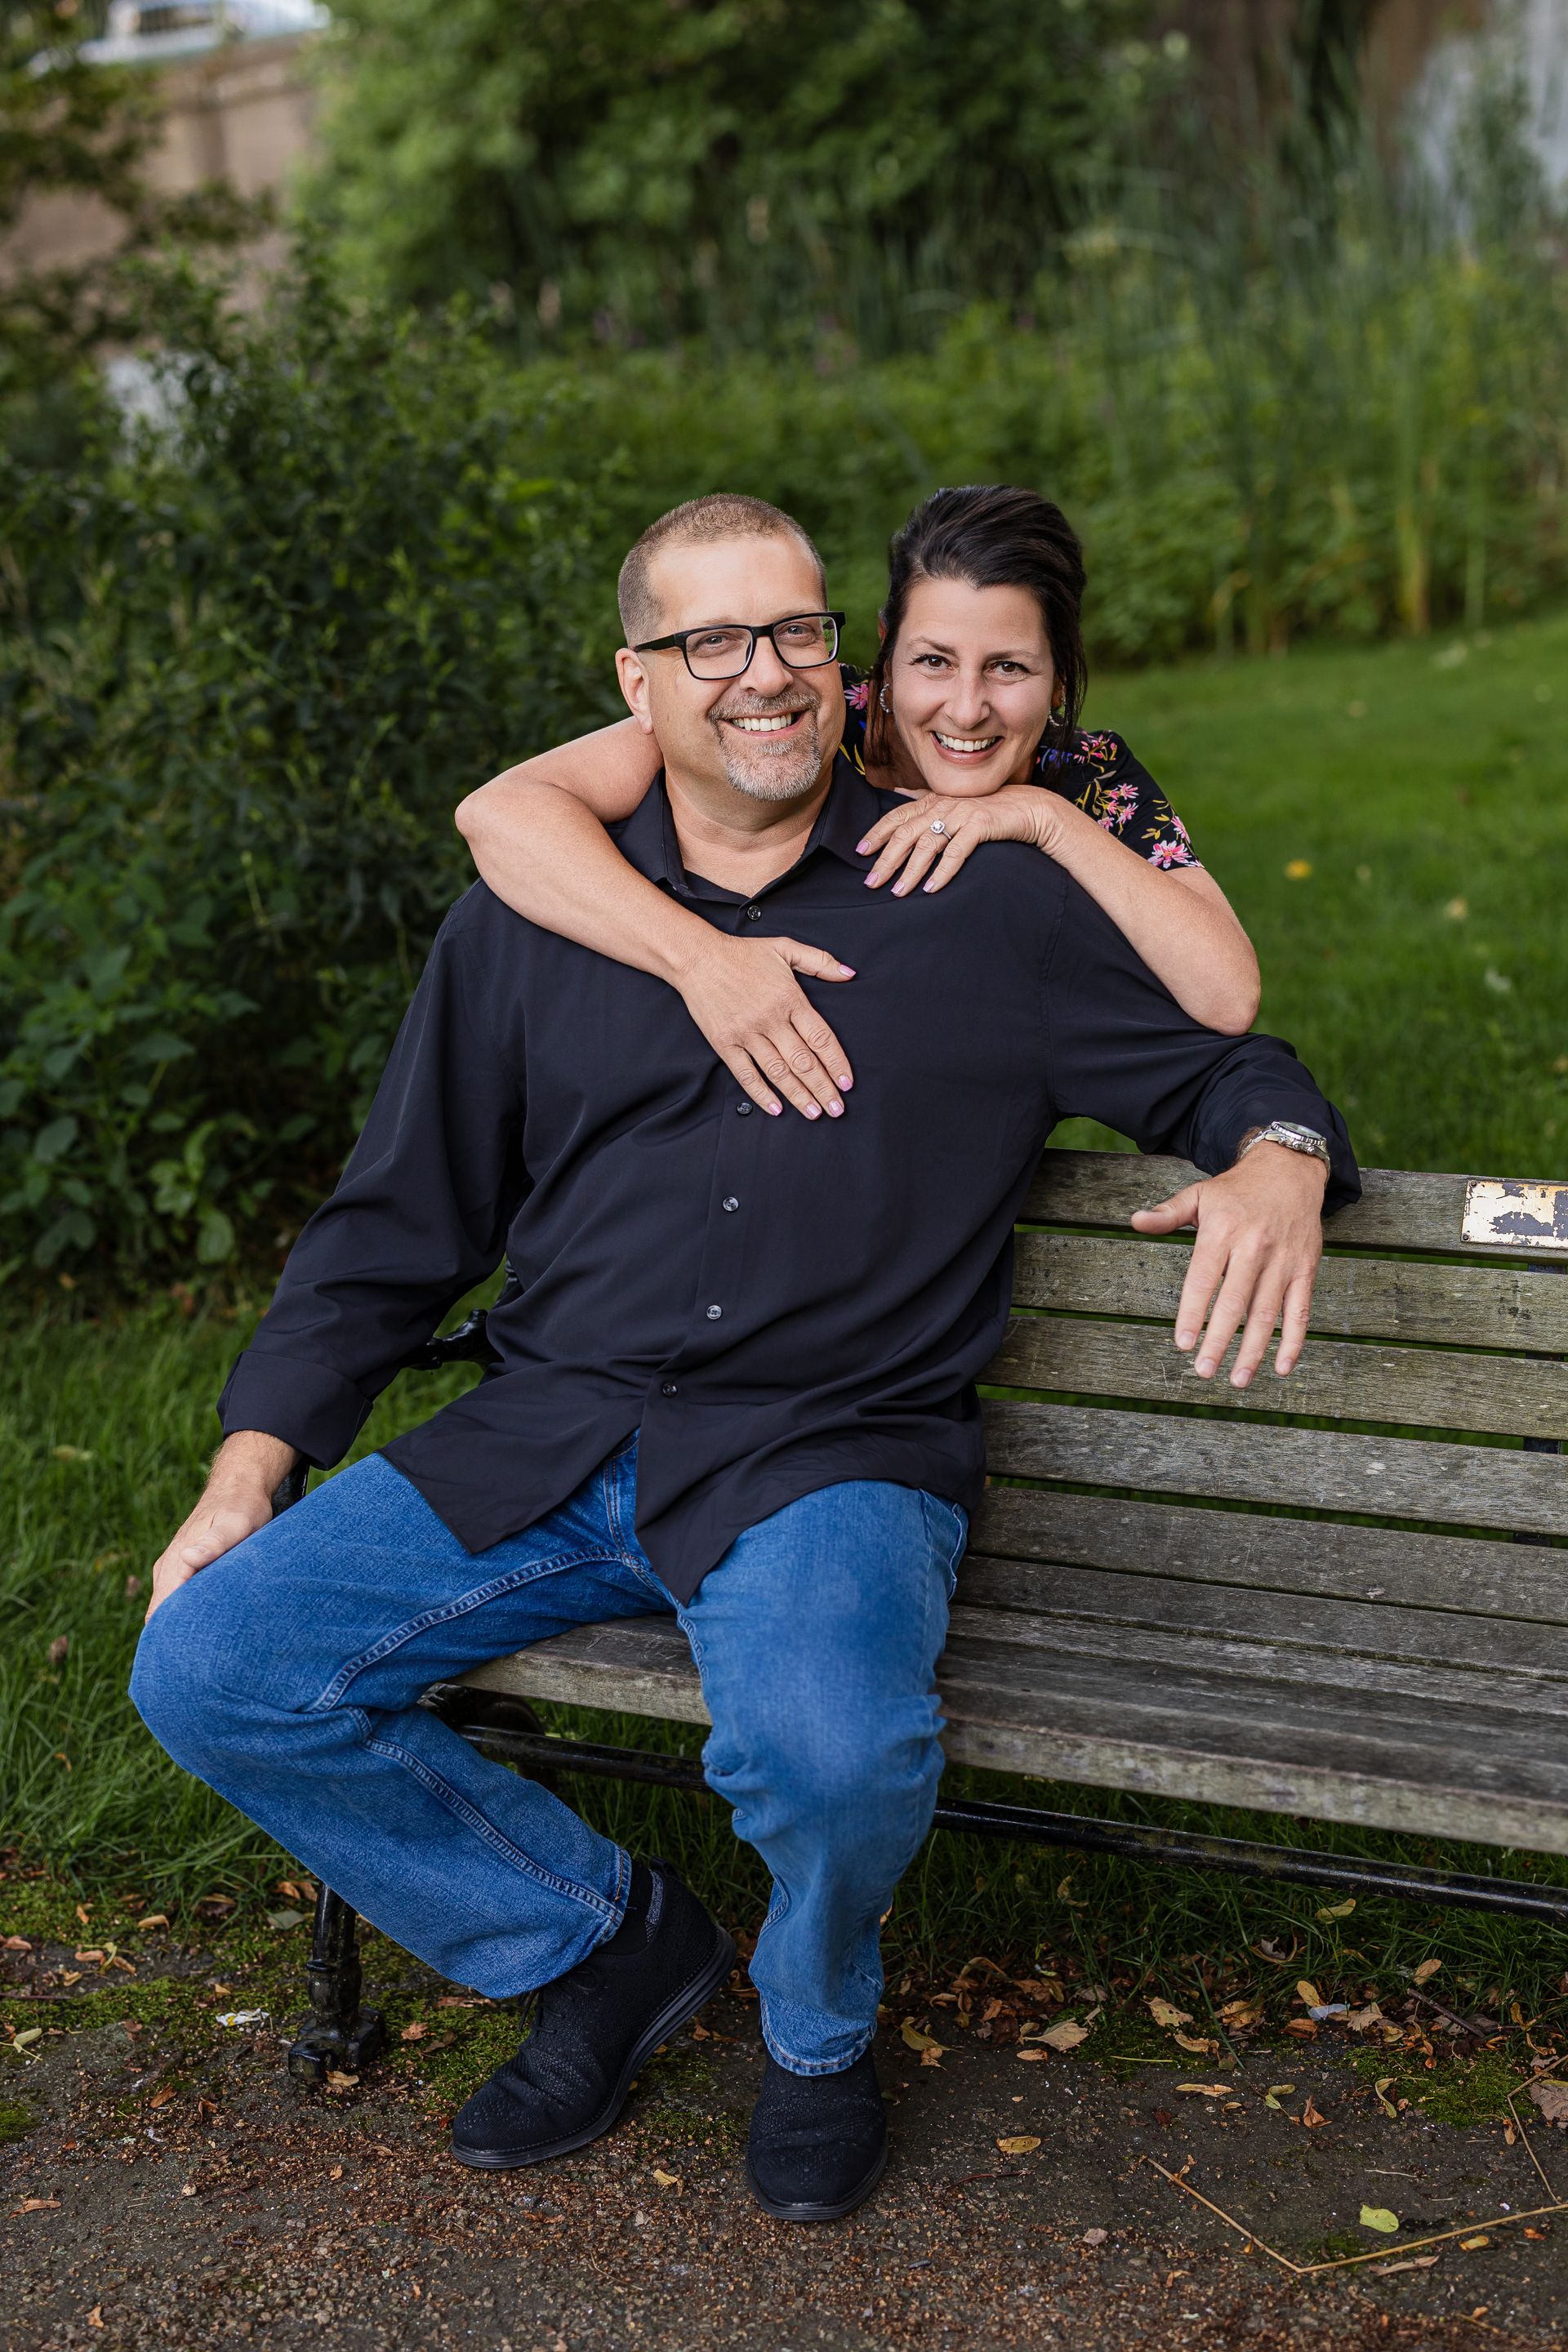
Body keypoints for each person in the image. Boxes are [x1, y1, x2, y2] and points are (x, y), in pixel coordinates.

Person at [131, 492, 1357, 2227]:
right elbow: (394, 1223)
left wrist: (1284, 1153)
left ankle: (818, 2027)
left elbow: (1222, 1056)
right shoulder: (534, 915)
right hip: (549, 1431)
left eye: (794, 633)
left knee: (836, 1758)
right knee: (208, 1666)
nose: (762, 674)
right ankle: (601, 1944)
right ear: (638, 685)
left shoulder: (976, 897)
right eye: (711, 641)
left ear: (839, 668)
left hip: (825, 1450)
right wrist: (247, 1470)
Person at [455, 484, 1261, 1131]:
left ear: (1058, 676)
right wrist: (701, 962)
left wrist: (1042, 819)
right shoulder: (798, 716)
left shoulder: (1083, 775)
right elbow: (503, 814)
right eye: (933, 661)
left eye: (1009, 667)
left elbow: (1226, 997)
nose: (966, 707)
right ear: (885, 647)